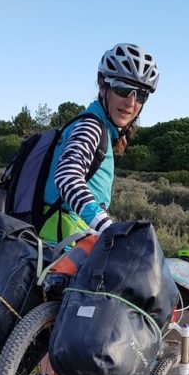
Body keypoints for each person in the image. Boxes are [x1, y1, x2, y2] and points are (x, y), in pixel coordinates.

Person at [39, 43, 159, 244]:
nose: (131, 102)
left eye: (140, 94)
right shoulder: (90, 127)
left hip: (71, 244)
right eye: (123, 89)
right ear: (103, 85)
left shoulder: (100, 127)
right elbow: (67, 176)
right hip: (60, 250)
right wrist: (107, 228)